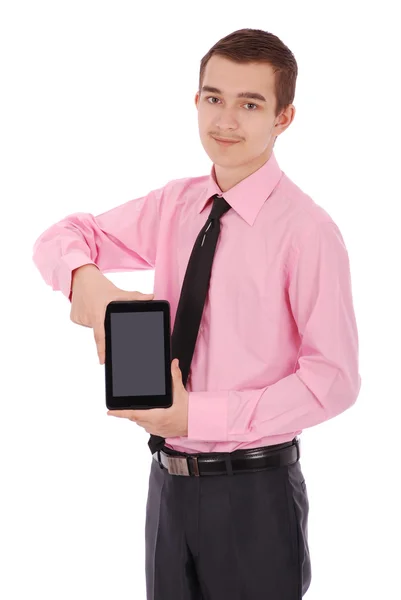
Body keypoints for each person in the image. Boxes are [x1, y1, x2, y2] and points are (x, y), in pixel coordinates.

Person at [32, 27, 361, 600]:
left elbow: (334, 381)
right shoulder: (174, 205)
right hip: (166, 485)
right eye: (214, 98)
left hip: (254, 492)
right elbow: (63, 235)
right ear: (196, 101)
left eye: (250, 104)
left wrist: (199, 417)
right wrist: (91, 285)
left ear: (283, 118)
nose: (225, 121)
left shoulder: (308, 232)